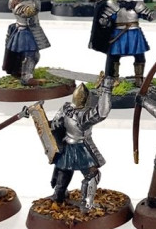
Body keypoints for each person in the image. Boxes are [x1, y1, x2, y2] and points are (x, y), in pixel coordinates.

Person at [48, 77, 113, 211]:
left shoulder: (65, 108)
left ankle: (58, 195)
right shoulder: (82, 115)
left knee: (64, 170)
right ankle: (86, 203)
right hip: (82, 148)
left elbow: (54, 124)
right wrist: (106, 89)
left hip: (66, 145)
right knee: (92, 174)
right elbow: (101, 113)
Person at [90, 0, 156, 84]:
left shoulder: (137, 5)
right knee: (114, 57)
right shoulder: (114, 5)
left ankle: (138, 80)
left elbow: (150, 16)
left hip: (132, 35)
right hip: (122, 35)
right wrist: (104, 22)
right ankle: (113, 80)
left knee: (138, 56)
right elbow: (104, 21)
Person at [3, 0, 49, 84]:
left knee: (29, 55)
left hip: (24, 32)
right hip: (25, 34)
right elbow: (35, 10)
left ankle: (19, 71)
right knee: (31, 55)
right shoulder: (23, 6)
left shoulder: (15, 2)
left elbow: (12, 1)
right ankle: (27, 78)